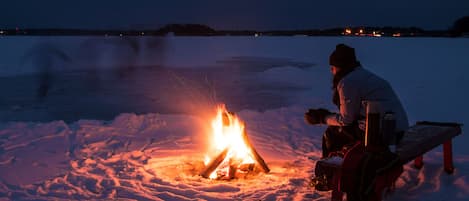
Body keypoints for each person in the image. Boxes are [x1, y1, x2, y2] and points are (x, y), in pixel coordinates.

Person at [305, 43, 409, 158]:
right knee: (348, 130)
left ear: (339, 66)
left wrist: (322, 118)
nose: (331, 70)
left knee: (332, 133)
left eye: (333, 67)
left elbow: (346, 120)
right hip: (398, 129)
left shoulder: (347, 82)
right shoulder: (363, 75)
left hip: (385, 134)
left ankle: (331, 170)